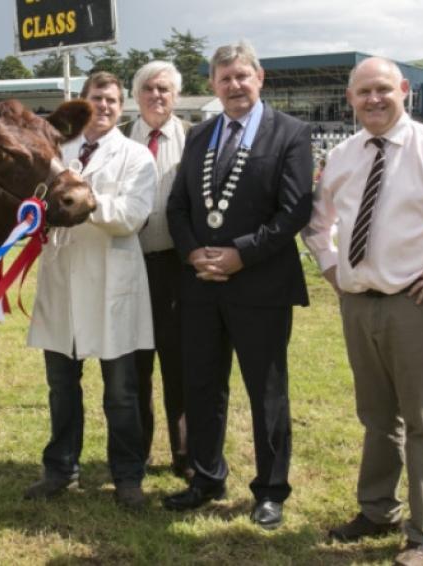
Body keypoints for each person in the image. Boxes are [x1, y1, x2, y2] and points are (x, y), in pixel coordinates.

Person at [302, 57, 423, 566]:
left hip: (413, 307)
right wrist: (334, 270)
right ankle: (377, 510)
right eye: (362, 92)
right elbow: (317, 223)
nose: (373, 100)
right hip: (359, 307)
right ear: (350, 98)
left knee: (422, 422)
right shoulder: (345, 156)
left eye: (382, 90)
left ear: (404, 91)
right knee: (376, 418)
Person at [163, 40, 312, 530]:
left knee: (265, 391)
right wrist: (192, 252)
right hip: (201, 285)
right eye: (225, 78)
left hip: (261, 287)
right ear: (212, 85)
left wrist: (240, 255)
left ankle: (270, 490)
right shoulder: (201, 133)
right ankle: (206, 477)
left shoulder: (289, 133)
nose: (234, 86)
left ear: (260, 77)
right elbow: (179, 206)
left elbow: (294, 211)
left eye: (242, 76)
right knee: (202, 386)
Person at [25, 71, 158, 509]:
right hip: (63, 277)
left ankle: (127, 476)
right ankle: (60, 469)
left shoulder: (136, 157)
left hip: (110, 280)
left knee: (121, 392)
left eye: (113, 101)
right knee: (61, 387)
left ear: (123, 108)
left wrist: (86, 199)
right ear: (82, 102)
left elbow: (132, 216)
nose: (104, 106)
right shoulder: (55, 153)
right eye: (97, 98)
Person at [124, 60, 192, 480]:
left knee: (178, 361)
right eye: (149, 88)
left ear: (177, 95)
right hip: (128, 266)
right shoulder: (120, 140)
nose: (157, 96)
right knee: (134, 366)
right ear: (136, 96)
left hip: (175, 267)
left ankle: (184, 454)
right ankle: (138, 451)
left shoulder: (193, 139)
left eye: (165, 89)